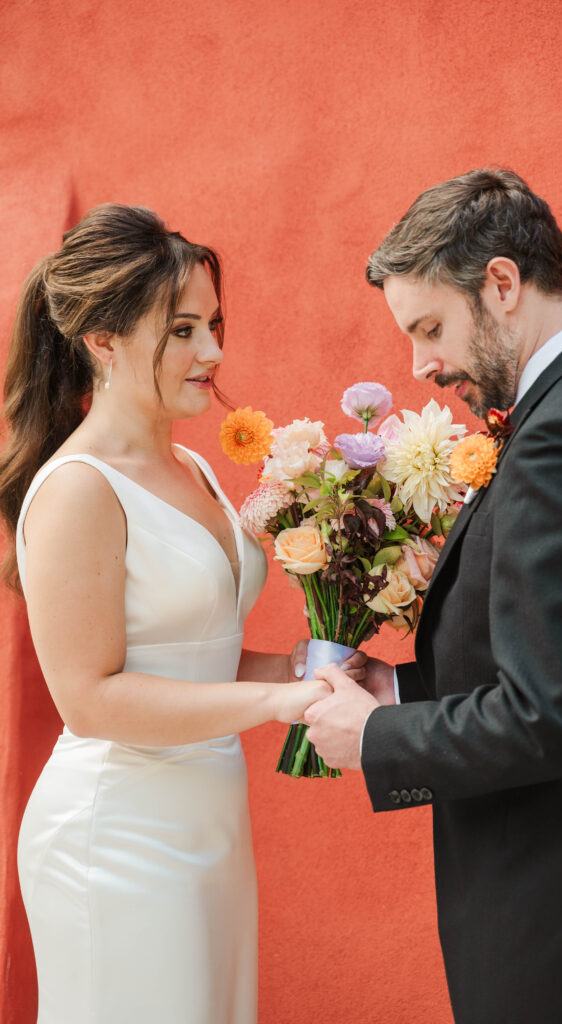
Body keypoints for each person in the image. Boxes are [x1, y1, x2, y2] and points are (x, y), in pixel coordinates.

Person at [305, 168, 562, 1023]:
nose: (420, 363)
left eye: (430, 327)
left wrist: (378, 736)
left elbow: (546, 717)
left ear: (502, 283)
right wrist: (397, 687)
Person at [0, 203, 365, 1024]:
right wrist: (278, 704)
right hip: (117, 837)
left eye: (214, 324)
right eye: (183, 331)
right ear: (103, 340)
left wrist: (316, 672)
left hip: (210, 825)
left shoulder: (194, 464)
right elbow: (91, 701)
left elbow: (187, 661)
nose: (214, 352)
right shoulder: (78, 491)